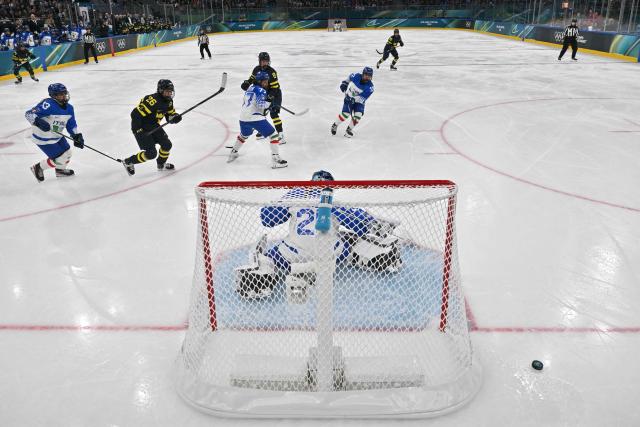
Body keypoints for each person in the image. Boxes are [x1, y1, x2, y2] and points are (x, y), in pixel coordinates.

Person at [235, 170, 402, 299]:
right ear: (332, 187)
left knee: (270, 256)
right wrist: (381, 225)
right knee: (350, 241)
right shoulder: (335, 204)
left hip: (292, 255)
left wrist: (285, 200)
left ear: (310, 184)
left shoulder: (296, 198)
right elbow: (362, 225)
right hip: (328, 255)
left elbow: (267, 219)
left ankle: (261, 276)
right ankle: (375, 256)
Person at [25, 83, 84, 182]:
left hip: (57, 135)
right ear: (53, 96)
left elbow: (71, 123)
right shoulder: (48, 104)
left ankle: (60, 171)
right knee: (60, 158)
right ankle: (38, 167)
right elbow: (29, 114)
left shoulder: (69, 108)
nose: (63, 96)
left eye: (64, 93)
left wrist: (76, 135)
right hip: (43, 138)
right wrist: (37, 121)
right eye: (59, 94)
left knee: (68, 153)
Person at [228, 71, 287, 169]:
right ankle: (276, 159)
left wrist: (267, 103)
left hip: (243, 118)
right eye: (265, 81)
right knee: (273, 135)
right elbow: (261, 106)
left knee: (244, 135)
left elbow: (254, 103)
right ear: (260, 81)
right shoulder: (261, 90)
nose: (266, 83)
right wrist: (270, 104)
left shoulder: (250, 88)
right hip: (254, 118)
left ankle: (234, 152)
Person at [121, 80, 182, 175]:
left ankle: (161, 164)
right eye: (167, 91)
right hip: (141, 126)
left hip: (153, 125)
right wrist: (138, 130)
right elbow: (135, 114)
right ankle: (128, 161)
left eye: (171, 91)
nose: (169, 94)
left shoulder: (169, 101)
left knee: (167, 145)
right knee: (151, 153)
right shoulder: (153, 101)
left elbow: (170, 114)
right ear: (160, 90)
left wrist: (175, 117)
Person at [241, 52, 286, 143]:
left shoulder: (272, 72)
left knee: (273, 114)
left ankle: (281, 134)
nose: (265, 63)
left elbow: (275, 87)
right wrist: (246, 83)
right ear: (259, 61)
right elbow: (251, 79)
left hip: (275, 93)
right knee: (261, 112)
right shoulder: (256, 69)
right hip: (263, 93)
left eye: (266, 61)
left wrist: (271, 96)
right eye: (263, 61)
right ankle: (262, 131)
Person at [330, 67, 374, 138]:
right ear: (362, 74)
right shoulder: (356, 76)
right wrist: (345, 83)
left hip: (359, 102)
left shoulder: (370, 88)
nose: (367, 77)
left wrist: (354, 99)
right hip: (348, 98)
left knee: (358, 115)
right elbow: (349, 77)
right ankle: (335, 125)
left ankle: (348, 130)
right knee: (345, 114)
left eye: (369, 76)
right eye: (366, 75)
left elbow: (362, 98)